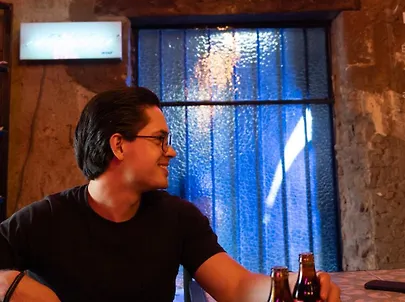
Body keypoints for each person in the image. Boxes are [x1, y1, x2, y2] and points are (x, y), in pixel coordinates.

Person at [0, 87, 341, 302]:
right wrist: (22, 290)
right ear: (118, 145)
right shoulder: (46, 219)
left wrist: (289, 285)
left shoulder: (177, 217)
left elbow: (236, 286)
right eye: (159, 139)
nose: (171, 151)